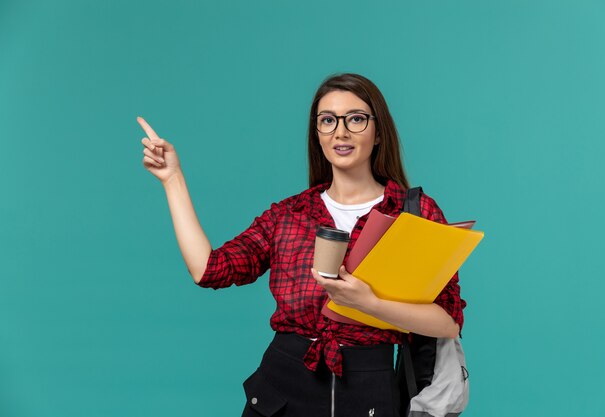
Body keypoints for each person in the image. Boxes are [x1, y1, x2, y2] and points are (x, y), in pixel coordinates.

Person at [139, 73, 465, 417]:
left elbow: (447, 322)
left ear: (378, 131)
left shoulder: (413, 213)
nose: (341, 132)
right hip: (282, 390)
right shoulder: (289, 215)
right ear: (318, 134)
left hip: (371, 392)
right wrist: (173, 180)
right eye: (328, 121)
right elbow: (209, 269)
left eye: (356, 119)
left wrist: (369, 304)